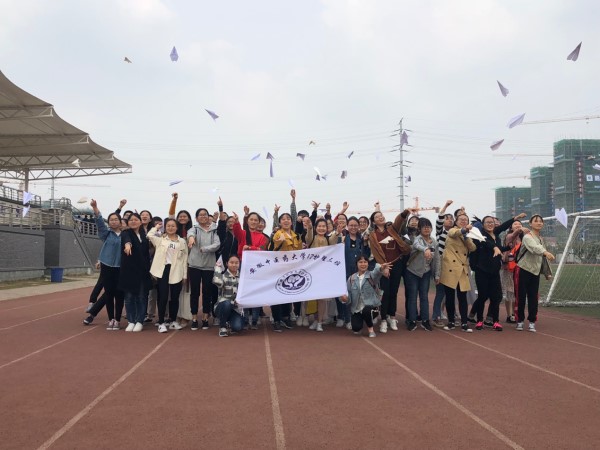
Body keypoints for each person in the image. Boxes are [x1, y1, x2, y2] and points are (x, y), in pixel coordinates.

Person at [471, 213, 525, 332]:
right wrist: (494, 247)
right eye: (487, 222)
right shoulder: (480, 235)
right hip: (482, 271)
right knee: (482, 296)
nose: (490, 224)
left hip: (495, 271)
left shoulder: (496, 235)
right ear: (483, 225)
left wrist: (507, 247)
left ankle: (495, 321)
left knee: (496, 297)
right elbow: (487, 243)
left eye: (492, 222)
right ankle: (479, 320)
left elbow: (503, 229)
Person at [368, 209, 413, 333]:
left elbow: (399, 221)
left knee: (394, 292)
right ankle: (383, 319)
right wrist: (384, 267)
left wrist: (405, 212)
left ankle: (392, 317)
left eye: (381, 215)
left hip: (397, 263)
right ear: (373, 221)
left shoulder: (392, 229)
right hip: (384, 266)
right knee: (385, 293)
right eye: (377, 216)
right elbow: (376, 253)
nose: (380, 217)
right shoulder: (373, 235)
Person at [83, 200, 124, 330]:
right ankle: (111, 319)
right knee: (109, 294)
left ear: (120, 222)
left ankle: (117, 319)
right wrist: (95, 208)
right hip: (107, 266)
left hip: (121, 267)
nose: (113, 222)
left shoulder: (126, 235)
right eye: (111, 220)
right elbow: (100, 223)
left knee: (119, 295)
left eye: (116, 220)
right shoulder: (106, 234)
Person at [515, 215, 555, 332]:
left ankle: (532, 321)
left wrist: (547, 272)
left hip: (535, 272)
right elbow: (534, 248)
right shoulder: (527, 237)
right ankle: (520, 320)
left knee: (533, 297)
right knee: (521, 296)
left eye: (541, 221)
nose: (539, 223)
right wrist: (546, 252)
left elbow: (542, 258)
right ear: (530, 224)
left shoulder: (540, 238)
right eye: (536, 221)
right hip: (523, 269)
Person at [148, 219, 188, 333]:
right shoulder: (160, 239)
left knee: (175, 297)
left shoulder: (182, 241)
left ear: (177, 228)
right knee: (163, 297)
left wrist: (184, 275)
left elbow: (185, 259)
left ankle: (173, 321)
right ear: (165, 228)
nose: (170, 228)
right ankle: (161, 323)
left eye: (173, 226)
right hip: (163, 270)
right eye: (168, 226)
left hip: (177, 270)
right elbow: (149, 235)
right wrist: (156, 227)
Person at [439, 213, 476, 333]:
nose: (464, 221)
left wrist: (466, 236)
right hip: (450, 267)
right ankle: (451, 322)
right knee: (449, 297)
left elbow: (473, 247)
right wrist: (464, 230)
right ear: (456, 221)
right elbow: (454, 233)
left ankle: (464, 322)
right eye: (461, 219)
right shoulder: (452, 230)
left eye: (466, 220)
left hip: (462, 268)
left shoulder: (467, 235)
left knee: (462, 297)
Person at [232, 210, 269, 329]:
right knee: (244, 292)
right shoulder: (243, 233)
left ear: (259, 223)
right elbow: (236, 231)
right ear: (247, 221)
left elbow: (262, 250)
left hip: (256, 266)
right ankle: (245, 318)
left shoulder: (263, 237)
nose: (253, 222)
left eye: (256, 220)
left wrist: (250, 248)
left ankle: (254, 320)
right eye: (251, 219)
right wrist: (236, 222)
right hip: (243, 264)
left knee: (256, 292)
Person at [304, 217, 339, 331]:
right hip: (311, 272)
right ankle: (315, 319)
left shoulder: (329, 240)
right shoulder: (311, 238)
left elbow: (334, 240)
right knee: (313, 297)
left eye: (324, 226)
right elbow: (308, 237)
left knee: (322, 298)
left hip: (324, 272)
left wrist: (338, 231)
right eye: (319, 226)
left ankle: (320, 322)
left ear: (327, 228)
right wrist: (309, 227)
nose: (321, 228)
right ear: (315, 227)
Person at [187, 208, 220, 330]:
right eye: (200, 215)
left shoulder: (214, 230)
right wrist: (191, 239)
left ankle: (205, 317)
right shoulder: (194, 229)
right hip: (194, 265)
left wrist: (204, 249)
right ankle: (194, 317)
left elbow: (217, 244)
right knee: (194, 292)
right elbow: (190, 235)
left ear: (208, 216)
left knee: (207, 292)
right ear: (196, 218)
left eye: (205, 214)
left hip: (209, 266)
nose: (203, 217)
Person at [405, 218, 440, 331]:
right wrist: (425, 249)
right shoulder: (417, 239)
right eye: (424, 227)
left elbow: (437, 260)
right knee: (412, 297)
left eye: (428, 227)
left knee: (424, 297)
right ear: (419, 229)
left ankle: (425, 321)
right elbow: (417, 245)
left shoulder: (434, 242)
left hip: (426, 273)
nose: (426, 229)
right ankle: (412, 320)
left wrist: (437, 275)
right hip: (413, 272)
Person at [270, 210, 302, 332]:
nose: (286, 221)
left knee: (288, 292)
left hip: (292, 269)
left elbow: (299, 251)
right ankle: (277, 319)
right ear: (280, 222)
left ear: (291, 222)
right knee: (277, 293)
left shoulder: (295, 235)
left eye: (288, 218)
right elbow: (273, 248)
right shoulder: (278, 234)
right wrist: (280, 240)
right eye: (283, 219)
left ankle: (285, 316)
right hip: (279, 268)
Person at [343, 256, 391, 337]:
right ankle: (361, 320)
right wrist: (344, 299)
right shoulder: (351, 279)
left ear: (368, 264)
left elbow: (377, 272)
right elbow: (349, 298)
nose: (363, 264)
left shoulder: (372, 276)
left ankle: (371, 330)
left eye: (365, 262)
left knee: (366, 310)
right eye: (360, 262)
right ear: (356, 264)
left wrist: (381, 268)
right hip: (357, 309)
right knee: (356, 329)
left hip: (371, 307)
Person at [119, 213, 152, 332]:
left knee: (142, 297)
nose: (133, 221)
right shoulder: (126, 233)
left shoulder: (144, 235)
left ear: (140, 222)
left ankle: (139, 321)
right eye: (131, 220)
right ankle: (131, 321)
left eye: (136, 219)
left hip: (143, 271)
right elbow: (127, 241)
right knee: (129, 297)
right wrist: (128, 245)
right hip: (129, 271)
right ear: (128, 222)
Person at [339, 216, 370, 329]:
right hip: (345, 271)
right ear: (347, 226)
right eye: (351, 225)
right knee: (347, 296)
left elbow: (366, 255)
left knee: (358, 296)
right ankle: (347, 319)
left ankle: (358, 317)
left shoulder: (361, 239)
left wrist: (365, 244)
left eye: (355, 225)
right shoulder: (343, 239)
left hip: (359, 273)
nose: (353, 227)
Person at [212, 255, 243, 337]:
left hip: (235, 309)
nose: (234, 265)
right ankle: (222, 326)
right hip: (222, 307)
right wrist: (217, 268)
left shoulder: (242, 278)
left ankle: (228, 321)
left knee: (237, 327)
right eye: (231, 262)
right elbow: (217, 281)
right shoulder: (222, 276)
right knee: (227, 303)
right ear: (227, 264)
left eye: (236, 263)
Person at [501, 220, 523, 323]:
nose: (518, 225)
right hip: (509, 267)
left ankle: (515, 313)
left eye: (519, 224)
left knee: (516, 291)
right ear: (511, 227)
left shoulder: (524, 237)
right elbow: (513, 235)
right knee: (509, 291)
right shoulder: (509, 236)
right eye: (515, 224)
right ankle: (509, 315)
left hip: (520, 267)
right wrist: (520, 230)